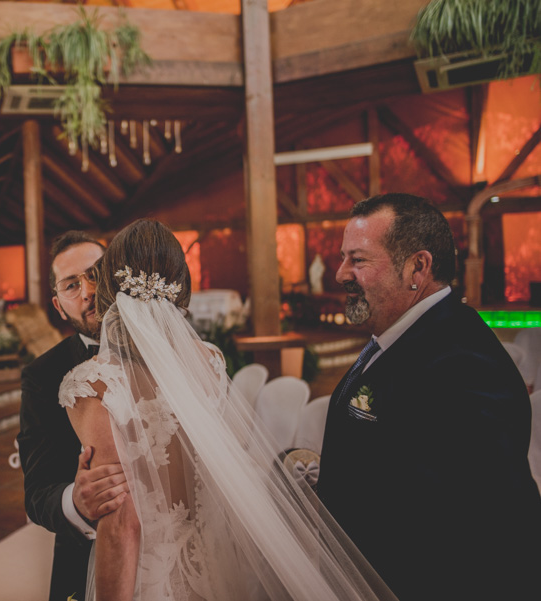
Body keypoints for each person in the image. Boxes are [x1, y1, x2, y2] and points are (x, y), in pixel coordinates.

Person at [59, 219, 395, 601]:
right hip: (218, 572)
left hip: (149, 580)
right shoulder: (210, 363)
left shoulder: (95, 385)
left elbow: (122, 526)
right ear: (180, 286)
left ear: (111, 288)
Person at [318, 193, 541, 600]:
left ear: (417, 267)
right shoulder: (399, 336)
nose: (341, 273)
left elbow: (463, 525)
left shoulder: (465, 363)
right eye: (344, 257)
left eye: (358, 259)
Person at [17, 232, 128, 601]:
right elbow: (36, 493)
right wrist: (74, 501)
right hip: (90, 558)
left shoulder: (165, 350)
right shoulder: (42, 377)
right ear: (59, 305)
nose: (88, 291)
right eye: (71, 284)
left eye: (96, 274)